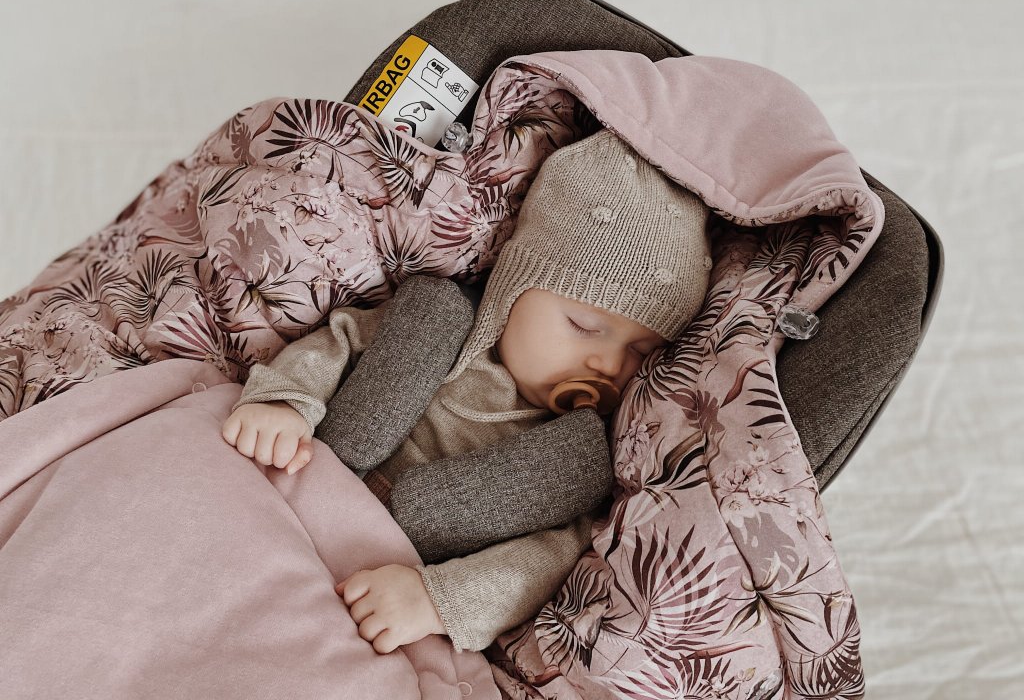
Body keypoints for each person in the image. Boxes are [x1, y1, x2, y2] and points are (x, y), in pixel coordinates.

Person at [220, 127, 714, 655]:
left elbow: (545, 559)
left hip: (377, 589)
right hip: (292, 491)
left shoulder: (575, 460)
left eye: (639, 351)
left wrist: (438, 601)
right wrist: (285, 401)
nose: (609, 364)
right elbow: (338, 342)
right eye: (584, 326)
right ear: (514, 287)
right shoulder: (435, 325)